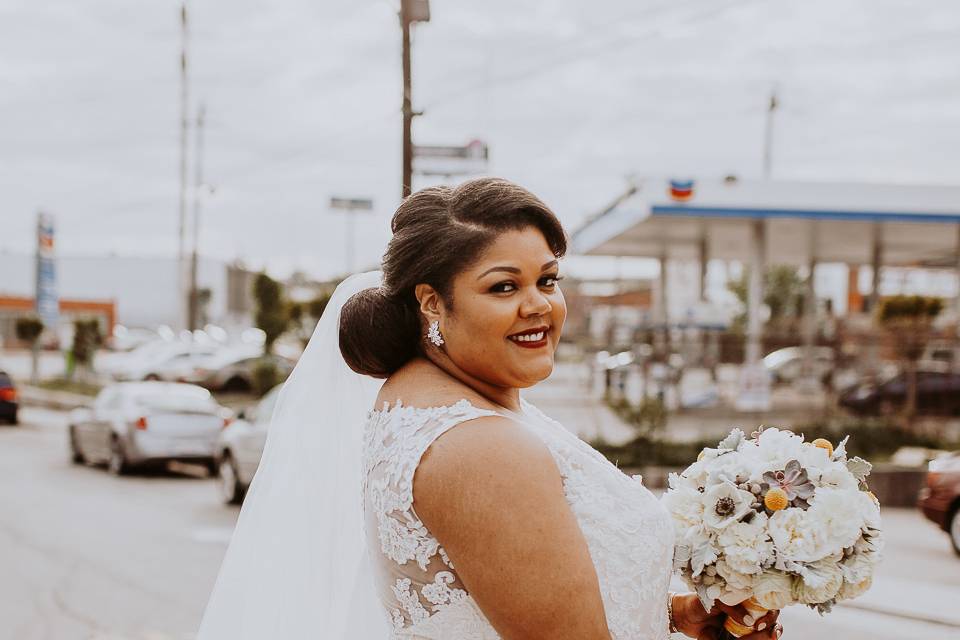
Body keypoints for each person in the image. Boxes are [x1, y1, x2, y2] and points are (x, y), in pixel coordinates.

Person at [197, 178, 782, 639]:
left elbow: (507, 604)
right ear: (432, 302)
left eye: (547, 281)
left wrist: (674, 615)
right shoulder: (481, 447)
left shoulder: (430, 401)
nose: (539, 307)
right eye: (504, 287)